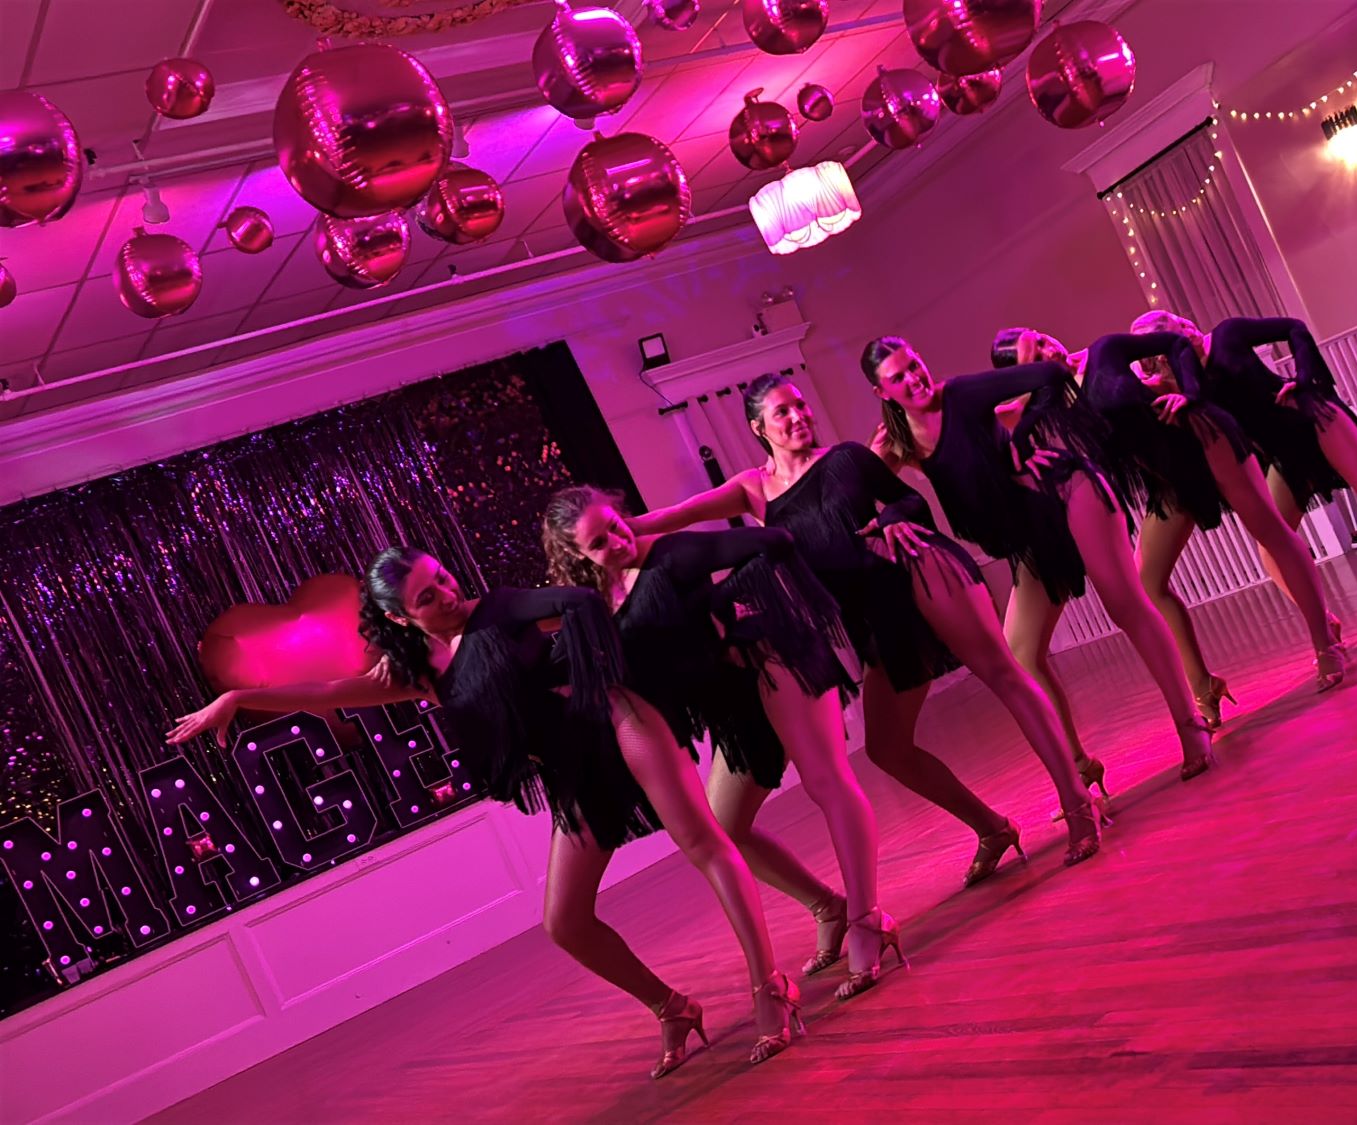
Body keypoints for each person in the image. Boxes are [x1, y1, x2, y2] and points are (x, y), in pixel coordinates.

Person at [167, 548, 803, 1075]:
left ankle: (769, 986)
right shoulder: (419, 671)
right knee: (564, 922)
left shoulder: (498, 609)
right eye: (427, 596)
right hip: (574, 775)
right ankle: (673, 1008)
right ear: (399, 617)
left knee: (703, 844)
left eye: (443, 577)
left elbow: (580, 602)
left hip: (621, 726)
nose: (447, 594)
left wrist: (591, 668)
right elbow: (329, 690)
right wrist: (238, 696)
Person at [626, 375, 1105, 887]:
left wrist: (894, 516)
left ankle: (1078, 804)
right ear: (758, 428)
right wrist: (604, 535)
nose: (798, 417)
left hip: (920, 571)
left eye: (800, 405)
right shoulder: (752, 490)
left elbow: (910, 501)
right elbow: (672, 516)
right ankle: (991, 828)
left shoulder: (847, 457)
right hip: (876, 618)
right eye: (783, 412)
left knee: (1004, 676)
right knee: (887, 747)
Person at [541, 489, 904, 1001]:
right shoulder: (598, 603)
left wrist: (728, 615)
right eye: (598, 542)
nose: (617, 542)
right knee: (726, 828)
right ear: (576, 555)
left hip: (775, 663)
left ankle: (868, 920)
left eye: (616, 526)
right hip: (734, 706)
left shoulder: (672, 554)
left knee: (828, 783)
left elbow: (775, 541)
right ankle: (829, 907)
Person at [860, 335, 1216, 785]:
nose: (914, 378)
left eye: (914, 364)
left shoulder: (962, 394)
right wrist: (890, 514)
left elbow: (1051, 373)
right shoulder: (898, 442)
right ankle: (1081, 770)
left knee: (1125, 604)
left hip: (1068, 492)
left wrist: (1022, 438)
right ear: (882, 392)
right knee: (1022, 653)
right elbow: (868, 488)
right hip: (1030, 535)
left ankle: (1191, 726)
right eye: (899, 377)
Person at [992, 326, 1347, 724]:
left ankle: (1325, 643)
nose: (1048, 350)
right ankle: (1204, 685)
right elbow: (988, 419)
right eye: (1034, 356)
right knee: (1148, 582)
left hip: (1206, 443)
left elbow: (1176, 343)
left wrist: (1189, 392)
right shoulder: (1047, 407)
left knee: (1271, 533)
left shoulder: (1105, 351)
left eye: (1042, 339)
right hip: (1170, 481)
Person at [1133, 311, 1357, 629]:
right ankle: (1322, 621)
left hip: (1314, 420)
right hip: (1285, 453)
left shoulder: (1227, 334)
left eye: (1175, 333)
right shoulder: (1186, 384)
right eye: (1163, 350)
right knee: (1271, 547)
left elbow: (1294, 327)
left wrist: (1305, 376)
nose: (1178, 344)